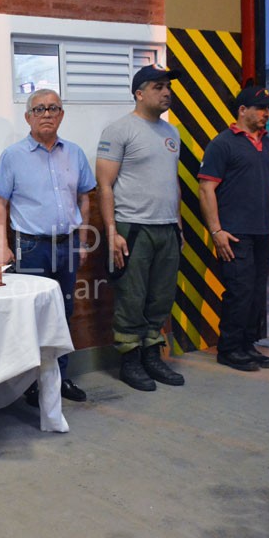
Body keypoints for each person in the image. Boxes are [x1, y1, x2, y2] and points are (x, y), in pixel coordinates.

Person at [0, 88, 96, 404]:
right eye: (39, 109)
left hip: (66, 248)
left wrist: (83, 238)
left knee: (63, 312)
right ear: (28, 117)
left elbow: (85, 197)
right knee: (31, 316)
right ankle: (31, 384)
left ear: (61, 114)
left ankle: (59, 378)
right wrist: (2, 245)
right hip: (31, 249)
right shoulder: (13, 156)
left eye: (53, 108)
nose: (46, 114)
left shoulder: (75, 153)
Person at [95, 64, 186, 392]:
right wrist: (112, 232)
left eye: (168, 87)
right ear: (139, 93)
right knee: (132, 297)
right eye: (158, 87)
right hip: (132, 227)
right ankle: (130, 360)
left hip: (166, 228)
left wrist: (178, 225)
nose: (166, 92)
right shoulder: (119, 130)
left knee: (160, 297)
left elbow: (171, 182)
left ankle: (151, 355)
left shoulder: (171, 133)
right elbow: (104, 185)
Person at [198, 85, 269, 371]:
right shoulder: (222, 143)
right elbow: (206, 188)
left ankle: (248, 345)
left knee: (257, 293)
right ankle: (230, 349)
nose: (267, 113)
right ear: (242, 110)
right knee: (240, 291)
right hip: (235, 232)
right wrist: (216, 231)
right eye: (261, 108)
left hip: (261, 233)